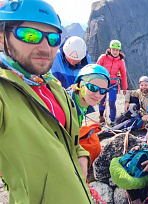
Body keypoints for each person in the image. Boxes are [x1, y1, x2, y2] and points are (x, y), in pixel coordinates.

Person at [0, 0, 92, 203]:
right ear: (2, 37)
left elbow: (67, 138)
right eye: (29, 35)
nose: (44, 47)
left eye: (53, 38)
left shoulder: (52, 84)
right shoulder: (3, 93)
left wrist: (80, 152)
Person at [97, 39, 128, 124]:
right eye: (113, 50)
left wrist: (125, 88)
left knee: (112, 101)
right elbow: (96, 69)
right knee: (102, 100)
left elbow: (123, 74)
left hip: (113, 84)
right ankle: (101, 116)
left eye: (117, 50)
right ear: (110, 49)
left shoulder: (121, 62)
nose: (115, 52)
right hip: (103, 83)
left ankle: (113, 119)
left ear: (119, 51)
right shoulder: (103, 57)